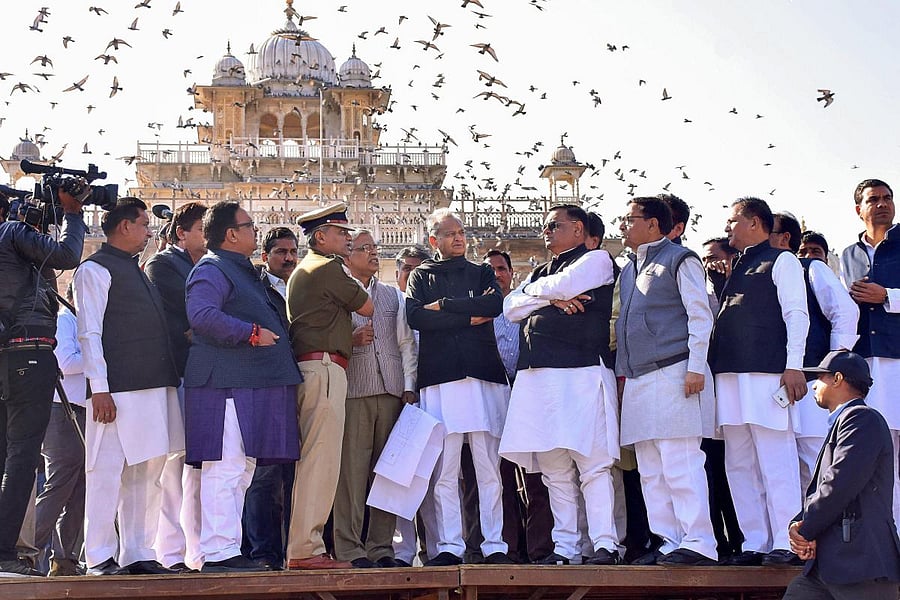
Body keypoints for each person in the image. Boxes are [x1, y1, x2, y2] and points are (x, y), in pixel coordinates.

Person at [184, 202, 301, 573]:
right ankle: (218, 553)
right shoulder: (212, 268)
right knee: (226, 467)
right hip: (226, 385)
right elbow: (201, 315)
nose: (255, 231)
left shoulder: (241, 270)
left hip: (251, 384)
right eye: (249, 226)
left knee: (244, 469)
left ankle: (229, 549)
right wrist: (249, 333)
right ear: (231, 234)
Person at [501, 204, 621, 566]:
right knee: (554, 469)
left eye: (554, 225)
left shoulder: (597, 259)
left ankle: (604, 544)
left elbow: (564, 284)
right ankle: (566, 548)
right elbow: (508, 306)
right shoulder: (541, 270)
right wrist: (552, 298)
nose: (546, 232)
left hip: (581, 374)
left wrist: (538, 295)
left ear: (579, 229)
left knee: (593, 465)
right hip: (539, 378)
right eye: (545, 226)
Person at [74, 197, 181, 576]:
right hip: (115, 392)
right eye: (143, 224)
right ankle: (99, 556)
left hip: (152, 388)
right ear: (124, 227)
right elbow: (89, 332)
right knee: (105, 472)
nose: (149, 231)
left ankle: (139, 551)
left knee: (147, 473)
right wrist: (99, 387)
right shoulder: (94, 270)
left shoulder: (135, 270)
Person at [406, 208, 512, 567]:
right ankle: (450, 546)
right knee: (445, 470)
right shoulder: (421, 275)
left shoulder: (481, 270)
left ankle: (494, 544)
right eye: (450, 233)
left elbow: (494, 304)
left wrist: (447, 308)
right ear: (434, 240)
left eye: (461, 232)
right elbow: (417, 317)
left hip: (482, 377)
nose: (459, 238)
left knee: (487, 469)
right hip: (441, 380)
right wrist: (469, 317)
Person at [616, 197, 718, 566]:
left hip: (676, 370)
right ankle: (670, 540)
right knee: (650, 466)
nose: (624, 225)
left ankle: (700, 541)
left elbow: (700, 314)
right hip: (640, 376)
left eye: (630, 219)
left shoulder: (681, 258)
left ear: (654, 224)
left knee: (680, 460)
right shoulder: (629, 269)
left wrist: (695, 366)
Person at [709, 197, 809, 566]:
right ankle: (756, 541)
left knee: (775, 459)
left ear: (754, 222)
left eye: (733, 220)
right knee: (739, 462)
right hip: (730, 375)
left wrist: (794, 366)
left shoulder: (782, 260)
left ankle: (787, 541)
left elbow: (796, 314)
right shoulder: (736, 266)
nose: (728, 227)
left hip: (767, 374)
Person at [0, 178, 86, 576]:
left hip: (7, 353)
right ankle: (6, 550)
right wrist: (71, 212)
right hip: (29, 353)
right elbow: (68, 255)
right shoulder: (12, 234)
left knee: (8, 453)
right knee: (22, 457)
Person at [286, 203, 373, 570]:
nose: (349, 240)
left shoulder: (308, 269)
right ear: (321, 237)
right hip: (322, 370)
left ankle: (307, 546)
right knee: (320, 462)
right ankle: (306, 549)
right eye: (341, 233)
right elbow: (367, 306)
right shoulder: (328, 267)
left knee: (318, 460)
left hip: (320, 366)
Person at [783, 351, 900, 600]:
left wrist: (805, 529)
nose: (814, 384)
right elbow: (828, 486)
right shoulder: (846, 422)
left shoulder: (862, 419)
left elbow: (839, 484)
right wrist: (800, 524)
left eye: (820, 377)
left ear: (837, 379)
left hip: (861, 563)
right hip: (828, 566)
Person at [333, 229, 417, 568]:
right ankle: (350, 549)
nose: (373, 253)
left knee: (388, 474)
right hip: (354, 392)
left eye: (374, 248)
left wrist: (408, 385)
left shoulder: (391, 296)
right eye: (364, 248)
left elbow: (405, 343)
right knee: (351, 475)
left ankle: (382, 547)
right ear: (347, 255)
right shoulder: (337, 293)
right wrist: (349, 339)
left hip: (392, 393)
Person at [769, 214, 858, 494]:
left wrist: (830, 368)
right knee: (784, 468)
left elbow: (845, 313)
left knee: (817, 463)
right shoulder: (759, 272)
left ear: (784, 238)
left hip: (810, 382)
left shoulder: (811, 268)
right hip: (774, 386)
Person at [144, 201, 207, 572]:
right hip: (178, 373)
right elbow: (186, 315)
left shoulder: (205, 265)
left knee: (196, 467)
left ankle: (195, 552)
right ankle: (169, 554)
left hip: (201, 376)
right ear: (181, 232)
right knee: (173, 468)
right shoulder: (164, 264)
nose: (206, 236)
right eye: (201, 229)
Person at [485, 249, 554, 564]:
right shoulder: (477, 309)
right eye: (491, 269)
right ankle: (507, 549)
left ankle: (539, 549)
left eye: (501, 268)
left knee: (536, 476)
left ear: (511, 273)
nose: (497, 274)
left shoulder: (523, 305)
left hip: (527, 397)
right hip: (492, 398)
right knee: (498, 478)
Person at [839, 178, 900, 531]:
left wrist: (887, 295)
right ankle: (887, 536)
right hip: (866, 366)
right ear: (858, 209)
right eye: (873, 199)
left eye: (887, 198)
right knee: (878, 452)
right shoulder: (848, 255)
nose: (882, 204)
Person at [241, 226, 299, 571]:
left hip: (298, 389)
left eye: (293, 251)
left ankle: (293, 551)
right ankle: (262, 552)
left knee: (295, 475)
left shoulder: (304, 287)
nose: (289, 258)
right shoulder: (255, 290)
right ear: (265, 257)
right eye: (281, 252)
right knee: (264, 476)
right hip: (264, 391)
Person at [33, 284, 86, 577]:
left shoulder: (84, 321)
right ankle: (27, 553)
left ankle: (65, 560)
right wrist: (102, 362)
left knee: (78, 488)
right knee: (59, 485)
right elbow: (66, 362)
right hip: (62, 411)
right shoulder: (66, 319)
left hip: (82, 411)